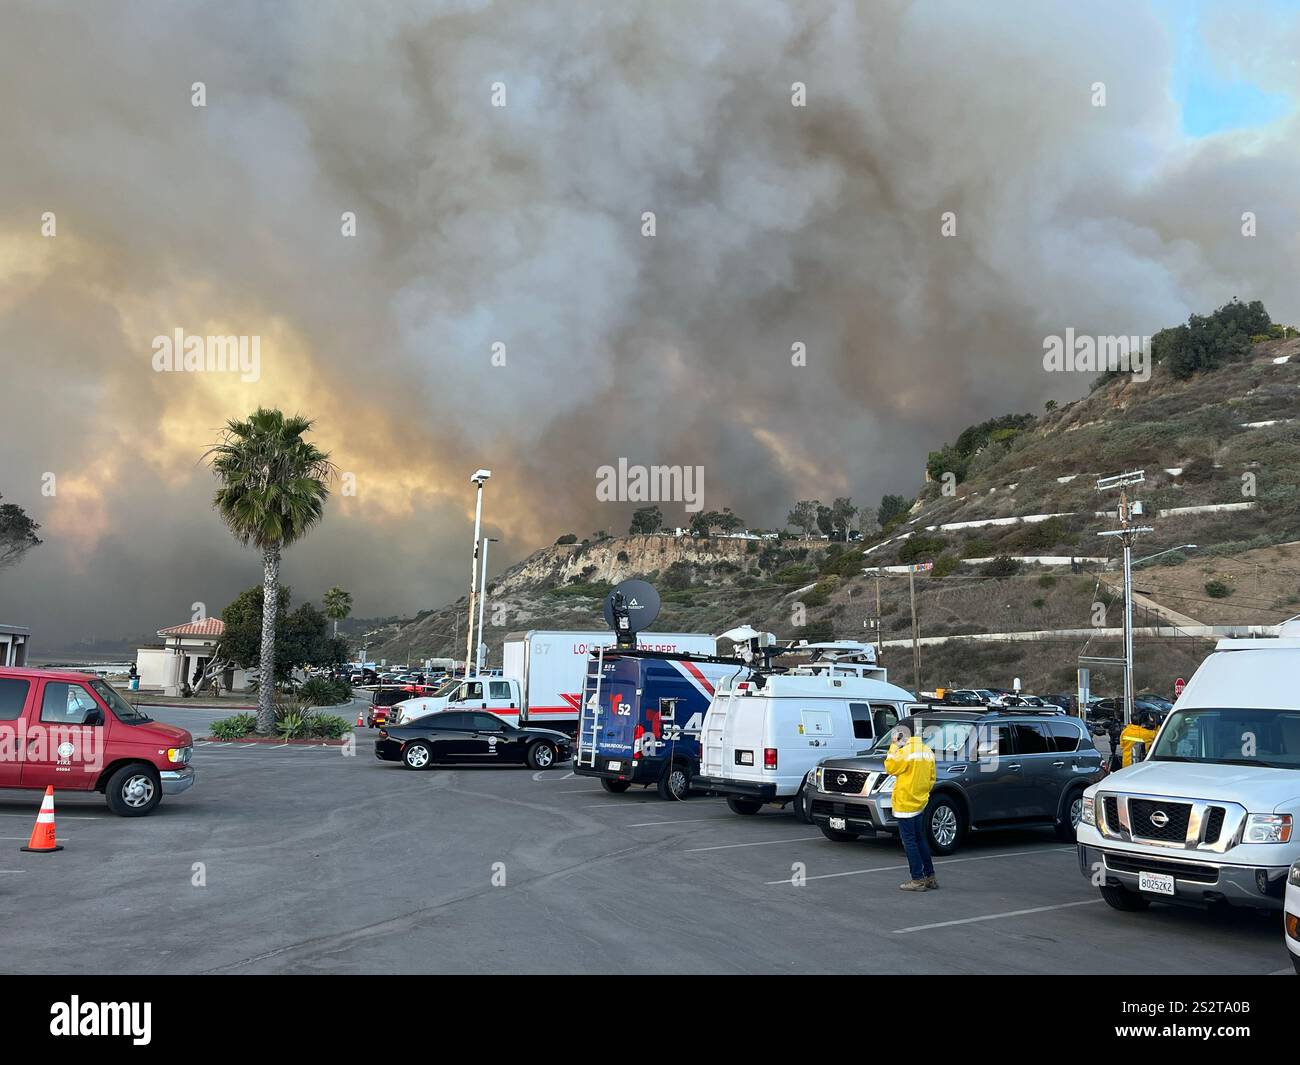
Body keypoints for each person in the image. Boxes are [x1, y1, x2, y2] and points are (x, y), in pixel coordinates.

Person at [885, 723, 938, 891]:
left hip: (905, 802)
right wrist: (922, 794)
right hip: (920, 802)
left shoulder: (904, 752)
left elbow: (890, 767)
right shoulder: (927, 751)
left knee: (909, 842)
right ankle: (930, 877)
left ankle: (917, 879)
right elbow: (931, 779)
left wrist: (894, 745)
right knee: (919, 839)